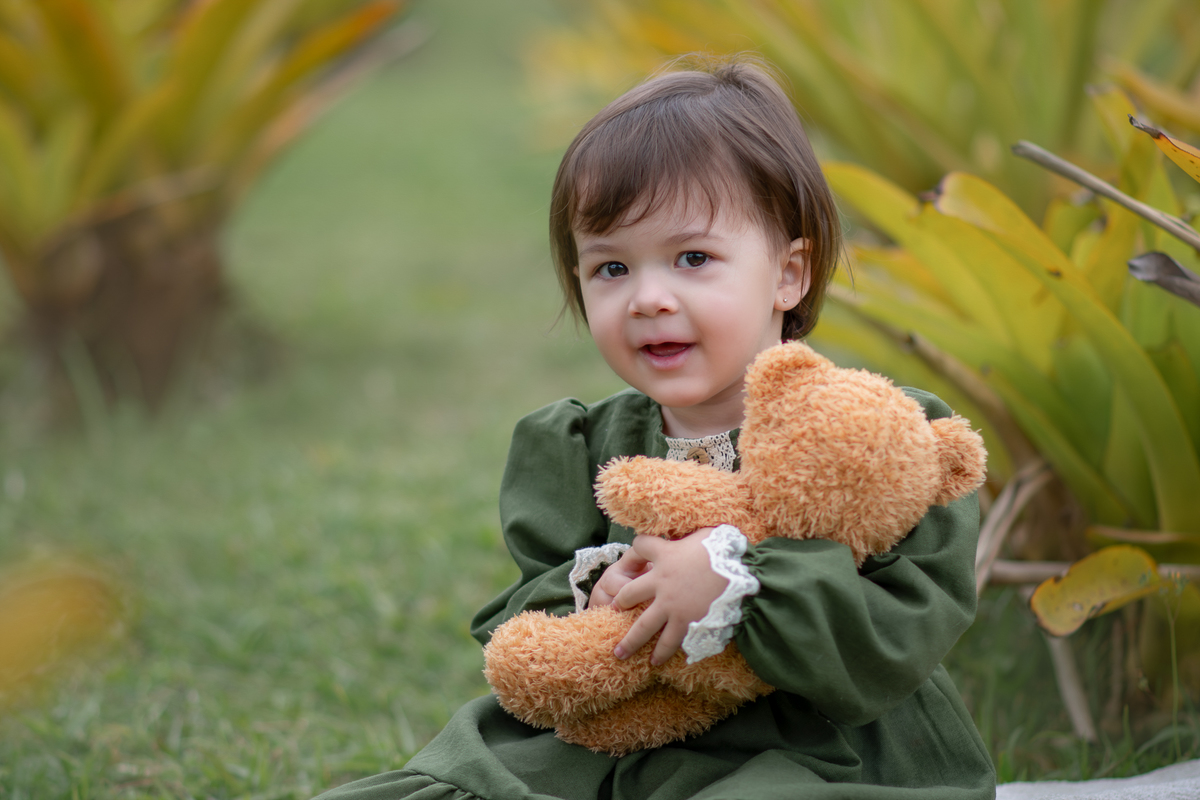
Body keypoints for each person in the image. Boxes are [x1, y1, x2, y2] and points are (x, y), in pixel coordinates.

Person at [316, 56, 996, 800]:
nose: (648, 299)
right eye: (611, 269)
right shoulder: (582, 447)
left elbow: (905, 630)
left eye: (692, 258)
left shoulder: (879, 439)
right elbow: (529, 613)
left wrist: (738, 583)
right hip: (624, 733)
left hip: (819, 742)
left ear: (789, 274)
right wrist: (599, 592)